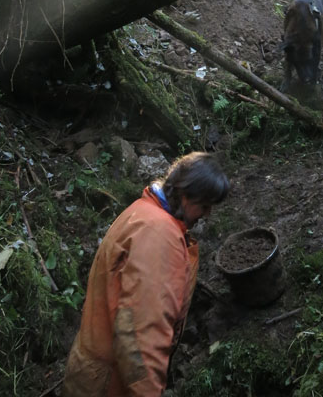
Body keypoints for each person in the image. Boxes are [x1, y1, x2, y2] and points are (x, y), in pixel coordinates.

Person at [62, 151, 230, 397]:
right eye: (204, 206)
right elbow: (141, 334)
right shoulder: (159, 235)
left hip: (90, 372)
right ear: (185, 194)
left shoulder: (141, 211)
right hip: (110, 384)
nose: (207, 215)